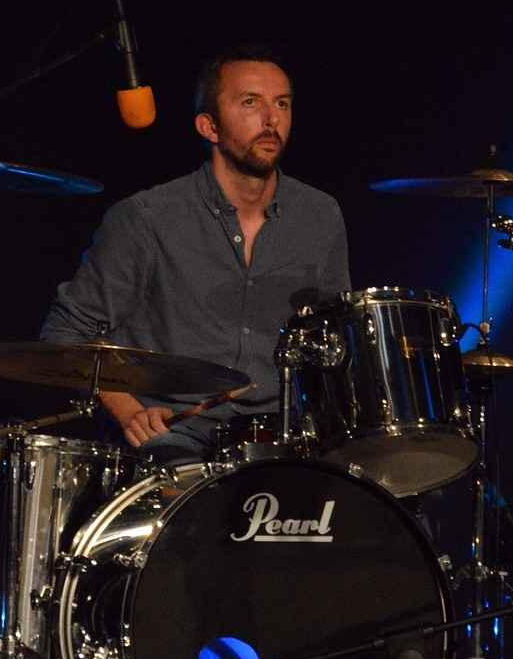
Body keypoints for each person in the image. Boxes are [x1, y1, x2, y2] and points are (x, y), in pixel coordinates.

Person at [41, 48, 350, 461]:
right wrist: (130, 412)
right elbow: (67, 333)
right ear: (209, 126)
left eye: (282, 104)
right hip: (176, 434)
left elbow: (335, 337)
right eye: (250, 102)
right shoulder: (147, 217)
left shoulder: (320, 215)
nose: (271, 119)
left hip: (283, 436)